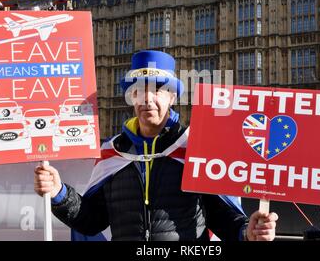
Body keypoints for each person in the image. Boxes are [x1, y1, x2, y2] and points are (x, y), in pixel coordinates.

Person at [34, 50, 278, 241]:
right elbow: (92, 221)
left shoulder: (196, 148)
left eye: (158, 90)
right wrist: (60, 193)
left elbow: (224, 218)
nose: (147, 99)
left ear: (172, 97)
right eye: (139, 91)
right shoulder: (112, 153)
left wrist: (247, 232)